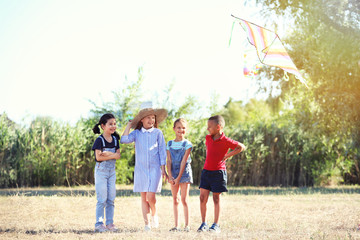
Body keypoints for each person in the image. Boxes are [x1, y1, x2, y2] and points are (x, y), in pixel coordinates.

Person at [120, 107, 168, 231]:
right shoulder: (136, 133)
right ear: (141, 120)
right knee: (143, 197)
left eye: (153, 118)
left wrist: (164, 169)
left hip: (155, 169)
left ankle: (154, 214)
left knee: (151, 197)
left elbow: (162, 151)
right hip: (141, 169)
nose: (151, 120)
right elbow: (124, 140)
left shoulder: (158, 133)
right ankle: (147, 224)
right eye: (148, 117)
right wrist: (129, 125)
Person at [197, 115, 246, 233]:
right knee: (202, 198)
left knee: (216, 198)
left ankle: (216, 225)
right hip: (206, 172)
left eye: (210, 126)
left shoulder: (226, 140)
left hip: (218, 173)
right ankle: (204, 223)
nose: (207, 129)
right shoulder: (208, 138)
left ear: (218, 127)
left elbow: (241, 147)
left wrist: (228, 155)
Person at [92, 113, 121, 233]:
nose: (113, 126)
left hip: (111, 172)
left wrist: (108, 154)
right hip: (101, 172)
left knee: (111, 198)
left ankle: (109, 223)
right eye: (110, 124)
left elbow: (118, 156)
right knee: (102, 199)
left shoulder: (115, 139)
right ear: (103, 126)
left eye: (114, 124)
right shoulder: (99, 140)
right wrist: (112, 155)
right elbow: (98, 158)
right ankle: (99, 224)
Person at [166, 118, 193, 232]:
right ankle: (176, 226)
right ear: (174, 129)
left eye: (183, 128)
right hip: (173, 173)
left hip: (184, 173)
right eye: (178, 127)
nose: (181, 130)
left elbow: (183, 162)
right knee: (175, 199)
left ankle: (187, 225)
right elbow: (169, 161)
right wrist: (171, 176)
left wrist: (178, 178)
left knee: (184, 199)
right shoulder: (170, 143)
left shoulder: (187, 144)